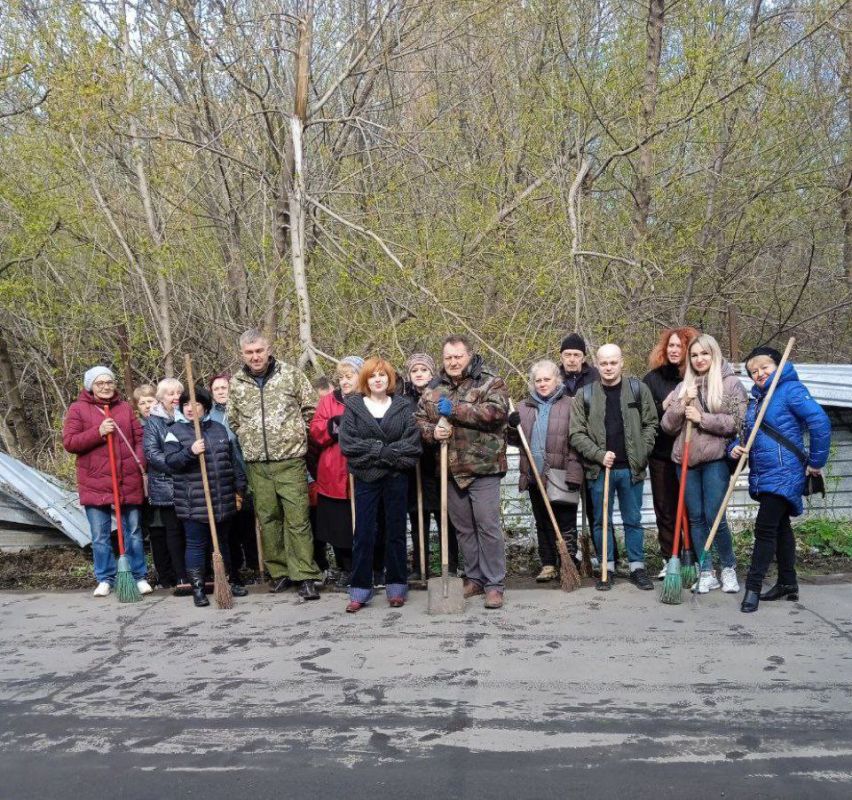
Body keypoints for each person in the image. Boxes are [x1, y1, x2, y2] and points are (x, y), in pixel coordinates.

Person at [732, 346, 831, 613]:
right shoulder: (757, 399)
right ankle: (788, 583)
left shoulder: (791, 391)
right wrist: (735, 447)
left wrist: (816, 462)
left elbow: (820, 422)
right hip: (764, 471)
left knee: (764, 529)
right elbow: (747, 433)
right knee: (780, 527)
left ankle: (752, 588)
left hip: (785, 471)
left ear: (778, 365)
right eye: (753, 371)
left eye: (764, 367)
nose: (759, 373)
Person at [415, 336, 510, 609]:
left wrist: (456, 410)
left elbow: (496, 413)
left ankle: (494, 584)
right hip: (450, 469)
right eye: (448, 358)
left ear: (469, 355)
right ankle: (474, 578)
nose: (453, 362)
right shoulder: (434, 388)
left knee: (487, 527)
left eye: (458, 356)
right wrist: (432, 432)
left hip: (484, 467)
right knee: (464, 529)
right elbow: (419, 421)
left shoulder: (490, 381)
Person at [227, 329, 322, 600]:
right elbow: (233, 418)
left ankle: (305, 574)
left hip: (290, 460)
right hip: (257, 463)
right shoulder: (236, 383)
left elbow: (311, 409)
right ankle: (279, 572)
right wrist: (249, 436)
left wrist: (295, 435)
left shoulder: (290, 375)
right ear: (242, 354)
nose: (255, 357)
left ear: (268, 349)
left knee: (297, 518)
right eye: (249, 352)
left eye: (259, 351)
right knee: (268, 519)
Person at [661, 334, 748, 594]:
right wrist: (681, 404)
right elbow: (667, 426)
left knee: (714, 516)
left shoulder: (731, 383)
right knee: (696, 518)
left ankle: (729, 568)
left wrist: (702, 418)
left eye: (704, 354)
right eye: (695, 355)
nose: (699, 359)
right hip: (685, 461)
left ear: (714, 354)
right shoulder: (683, 386)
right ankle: (706, 570)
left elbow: (737, 422)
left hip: (714, 460)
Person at [569, 344, 658, 591]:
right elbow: (576, 433)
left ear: (621, 363)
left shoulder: (638, 390)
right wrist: (598, 455)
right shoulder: (585, 395)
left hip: (631, 469)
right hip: (599, 470)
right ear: (597, 364)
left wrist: (641, 451)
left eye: (613, 362)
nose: (608, 368)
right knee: (601, 521)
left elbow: (651, 423)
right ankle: (606, 568)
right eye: (604, 363)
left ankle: (637, 568)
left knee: (633, 519)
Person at [338, 357, 422, 612]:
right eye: (373, 375)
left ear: (389, 379)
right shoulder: (354, 406)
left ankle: (396, 585)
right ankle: (360, 589)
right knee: (363, 533)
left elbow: (413, 445)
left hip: (396, 479)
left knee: (396, 532)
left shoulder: (404, 406)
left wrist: (388, 455)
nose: (378, 379)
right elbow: (348, 444)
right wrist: (380, 450)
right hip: (366, 479)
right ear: (366, 379)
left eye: (382, 375)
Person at [62, 366, 150, 598]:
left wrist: (137, 461)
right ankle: (105, 578)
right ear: (90, 385)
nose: (105, 387)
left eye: (109, 382)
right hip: (94, 481)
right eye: (100, 383)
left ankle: (138, 575)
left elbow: (139, 438)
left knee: (133, 531)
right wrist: (98, 431)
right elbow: (70, 442)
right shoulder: (78, 409)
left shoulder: (124, 408)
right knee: (100, 535)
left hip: (126, 479)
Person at [164, 387, 248, 607]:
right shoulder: (175, 432)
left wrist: (239, 488)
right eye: (186, 405)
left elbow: (233, 462)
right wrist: (190, 451)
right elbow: (171, 463)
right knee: (196, 544)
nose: (191, 408)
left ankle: (229, 580)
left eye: (197, 404)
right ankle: (198, 588)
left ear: (206, 406)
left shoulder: (219, 430)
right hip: (194, 502)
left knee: (223, 543)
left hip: (222, 499)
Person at [507, 360, 583, 582]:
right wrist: (512, 426)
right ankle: (548, 564)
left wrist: (574, 474)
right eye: (538, 380)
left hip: (561, 474)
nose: (542, 384)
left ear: (557, 380)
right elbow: (515, 441)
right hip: (535, 475)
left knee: (566, 522)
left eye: (546, 379)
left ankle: (568, 562)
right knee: (543, 521)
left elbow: (577, 442)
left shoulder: (571, 405)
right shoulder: (523, 407)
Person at [643, 326, 699, 578]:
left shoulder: (698, 378)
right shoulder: (652, 379)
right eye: (671, 346)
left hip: (692, 452)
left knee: (692, 508)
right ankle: (671, 558)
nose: (675, 350)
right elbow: (643, 415)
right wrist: (662, 405)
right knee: (665, 508)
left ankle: (695, 558)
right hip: (662, 454)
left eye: (680, 346)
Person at [309, 356, 364, 591]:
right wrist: (333, 425)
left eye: (349, 376)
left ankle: (368, 566)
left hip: (362, 471)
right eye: (341, 377)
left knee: (364, 522)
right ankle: (345, 567)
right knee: (339, 526)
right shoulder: (329, 402)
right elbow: (315, 431)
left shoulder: (369, 399)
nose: (344, 381)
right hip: (334, 472)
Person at [403, 352, 459, 582]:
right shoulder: (402, 397)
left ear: (431, 372)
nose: (419, 374)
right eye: (415, 371)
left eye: (423, 370)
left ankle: (451, 564)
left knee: (445, 515)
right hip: (414, 466)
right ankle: (420, 565)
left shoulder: (440, 391)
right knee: (418, 518)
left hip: (439, 464)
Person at [210, 372, 258, 579]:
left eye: (224, 387)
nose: (221, 392)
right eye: (217, 389)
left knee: (251, 523)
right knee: (232, 523)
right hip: (227, 477)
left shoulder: (244, 409)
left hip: (251, 470)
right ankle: (235, 567)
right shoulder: (210, 418)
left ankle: (257, 564)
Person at [142, 378, 188, 592]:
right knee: (174, 531)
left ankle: (196, 572)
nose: (175, 397)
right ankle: (180, 576)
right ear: (160, 398)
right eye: (170, 394)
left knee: (193, 531)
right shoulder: (154, 421)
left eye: (178, 393)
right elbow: (152, 453)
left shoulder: (187, 418)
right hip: (167, 484)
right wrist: (177, 466)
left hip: (190, 484)